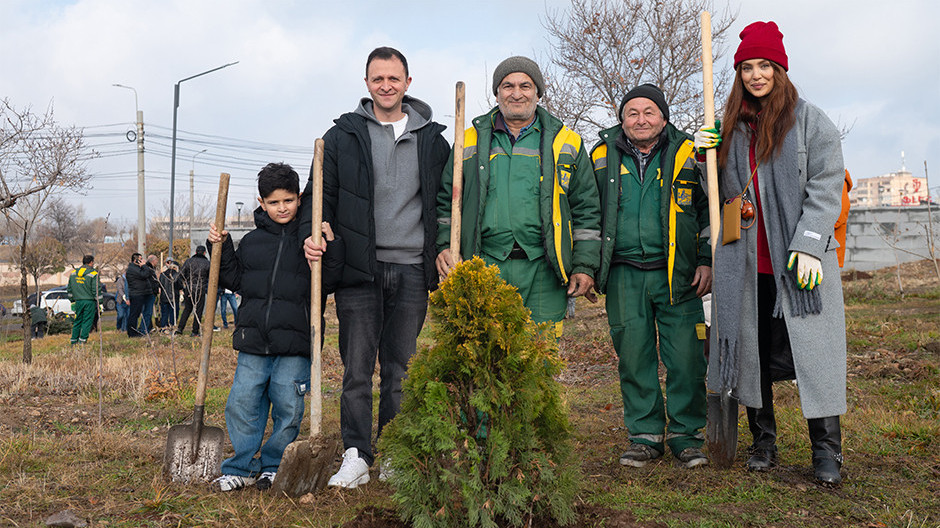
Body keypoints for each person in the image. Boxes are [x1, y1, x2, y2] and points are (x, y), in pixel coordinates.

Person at [695, 21, 847, 486]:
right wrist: (704, 159)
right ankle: (764, 442)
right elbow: (720, 196)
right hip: (745, 264)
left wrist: (807, 245)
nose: (755, 75)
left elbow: (826, 185)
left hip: (800, 262)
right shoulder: (731, 127)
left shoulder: (810, 120)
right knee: (752, 351)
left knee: (813, 355)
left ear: (780, 69)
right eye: (746, 67)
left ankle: (826, 451)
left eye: (764, 66)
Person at [300, 46, 450, 488]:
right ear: (367, 83)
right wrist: (314, 232)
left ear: (408, 82)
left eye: (394, 78)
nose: (386, 85)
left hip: (410, 270)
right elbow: (317, 196)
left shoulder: (433, 140)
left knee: (402, 367)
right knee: (357, 367)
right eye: (377, 78)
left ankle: (395, 452)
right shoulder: (342, 136)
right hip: (359, 271)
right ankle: (356, 454)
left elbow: (444, 205)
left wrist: (441, 247)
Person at [590, 84, 711, 469]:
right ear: (621, 118)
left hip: (678, 274)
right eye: (632, 113)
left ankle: (685, 436)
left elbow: (711, 213)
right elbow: (588, 213)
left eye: (649, 112)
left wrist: (706, 260)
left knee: (687, 357)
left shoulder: (691, 154)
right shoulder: (600, 156)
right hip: (625, 273)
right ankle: (645, 436)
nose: (640, 120)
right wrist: (588, 266)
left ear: (664, 116)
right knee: (634, 356)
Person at [436, 56, 602, 336]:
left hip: (544, 268)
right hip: (485, 264)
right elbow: (447, 202)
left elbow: (586, 209)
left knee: (541, 358)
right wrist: (443, 246)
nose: (516, 93)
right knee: (486, 356)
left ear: (538, 92)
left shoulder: (567, 142)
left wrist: (584, 265)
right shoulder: (469, 140)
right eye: (507, 85)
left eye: (525, 85)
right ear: (497, 92)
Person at [208, 162, 314, 492]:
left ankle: (274, 465)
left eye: (288, 200)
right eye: (273, 202)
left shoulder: (307, 241)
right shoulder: (252, 242)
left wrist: (327, 246)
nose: (282, 208)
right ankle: (241, 465)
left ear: (299, 199)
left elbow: (329, 279)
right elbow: (235, 278)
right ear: (261, 202)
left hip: (295, 342)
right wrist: (221, 247)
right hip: (253, 339)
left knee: (288, 406)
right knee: (242, 402)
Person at [66, 254, 101, 345]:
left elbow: (69, 289)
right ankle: (82, 341)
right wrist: (100, 303)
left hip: (78, 301)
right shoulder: (93, 274)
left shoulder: (73, 273)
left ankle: (73, 341)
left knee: (77, 321)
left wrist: (72, 300)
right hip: (89, 302)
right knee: (87, 321)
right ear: (91, 262)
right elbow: (96, 290)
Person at [177, 245, 210, 337]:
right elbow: (211, 278)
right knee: (198, 311)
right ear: (204, 253)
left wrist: (186, 285)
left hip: (189, 289)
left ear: (195, 252)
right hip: (200, 290)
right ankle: (195, 331)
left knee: (187, 309)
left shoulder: (188, 262)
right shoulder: (207, 263)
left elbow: (181, 275)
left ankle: (180, 329)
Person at [125, 253, 156, 338]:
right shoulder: (132, 269)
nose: (143, 261)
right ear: (136, 260)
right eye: (141, 259)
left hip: (142, 293)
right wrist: (144, 265)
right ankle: (132, 332)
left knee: (140, 313)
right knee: (134, 314)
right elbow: (145, 274)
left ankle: (138, 330)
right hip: (137, 294)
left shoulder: (137, 268)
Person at [137, 254, 159, 335]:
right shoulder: (148, 269)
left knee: (147, 313)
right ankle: (143, 330)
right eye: (156, 260)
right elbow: (151, 282)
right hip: (149, 293)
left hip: (149, 293)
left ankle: (144, 328)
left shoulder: (149, 269)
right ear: (153, 261)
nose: (157, 262)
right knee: (147, 313)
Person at [158, 259, 181, 330]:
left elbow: (160, 285)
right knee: (173, 313)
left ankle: (163, 327)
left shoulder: (162, 275)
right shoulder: (177, 275)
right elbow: (180, 286)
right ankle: (172, 326)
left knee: (164, 313)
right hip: (174, 297)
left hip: (164, 297)